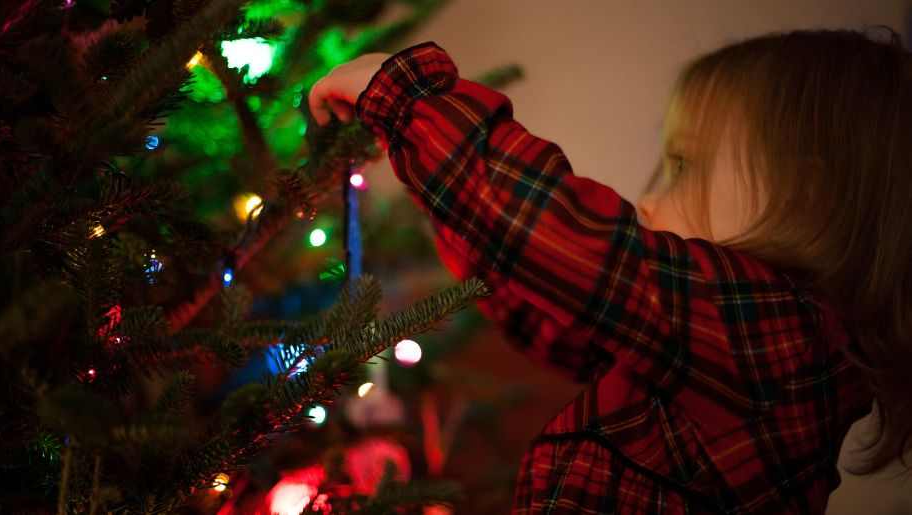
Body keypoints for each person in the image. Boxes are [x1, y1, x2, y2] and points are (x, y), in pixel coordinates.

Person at [307, 28, 912, 514]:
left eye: (683, 165)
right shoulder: (704, 354)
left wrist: (406, 98)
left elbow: (558, 236)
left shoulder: (777, 340)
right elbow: (544, 308)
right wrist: (433, 174)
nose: (648, 201)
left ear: (801, 197)